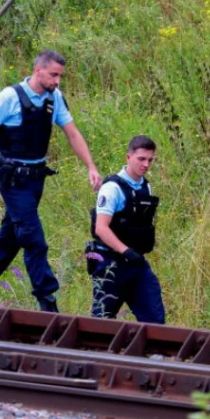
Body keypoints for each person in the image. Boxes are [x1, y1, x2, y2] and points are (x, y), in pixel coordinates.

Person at [0, 50, 101, 312]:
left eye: (60, 76)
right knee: (34, 239)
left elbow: (72, 133)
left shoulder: (54, 99)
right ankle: (48, 304)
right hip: (12, 177)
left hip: (36, 179)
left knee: (10, 237)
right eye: (53, 75)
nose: (58, 81)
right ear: (38, 70)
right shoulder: (10, 97)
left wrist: (90, 166)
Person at [87, 135, 165, 323]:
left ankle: (155, 353)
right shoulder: (113, 188)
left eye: (150, 160)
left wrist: (134, 254)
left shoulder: (145, 186)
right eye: (141, 159)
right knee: (102, 323)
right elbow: (101, 228)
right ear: (128, 157)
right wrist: (125, 251)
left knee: (155, 320)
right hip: (111, 263)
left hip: (136, 263)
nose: (146, 164)